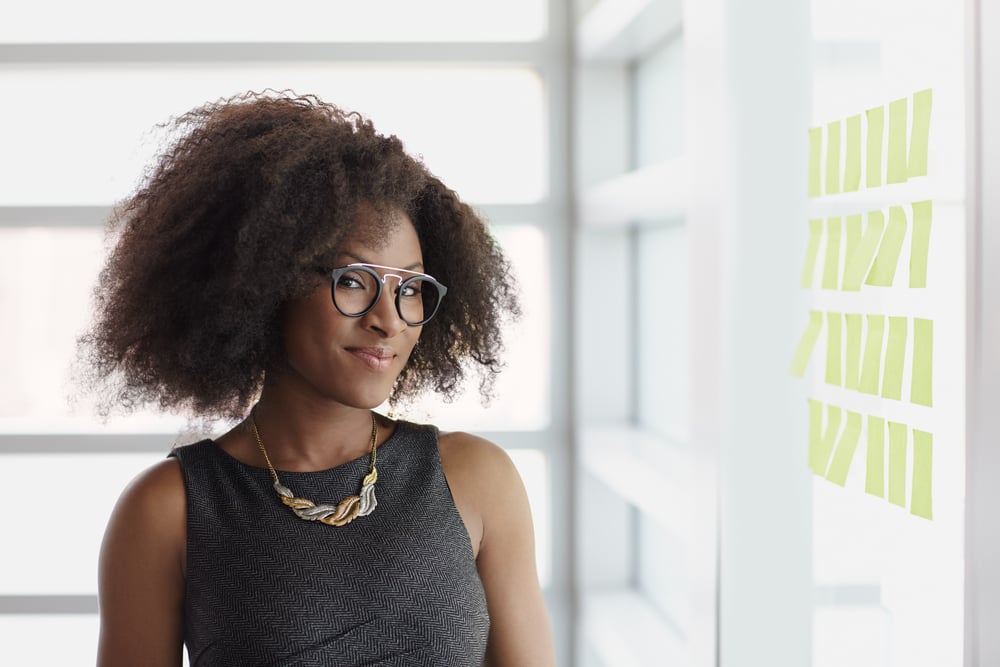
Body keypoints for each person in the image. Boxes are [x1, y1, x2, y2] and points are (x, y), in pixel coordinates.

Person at [83, 91, 556, 667]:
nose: (388, 319)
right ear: (263, 280)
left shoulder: (477, 481)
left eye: (409, 288)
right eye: (354, 280)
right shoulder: (169, 509)